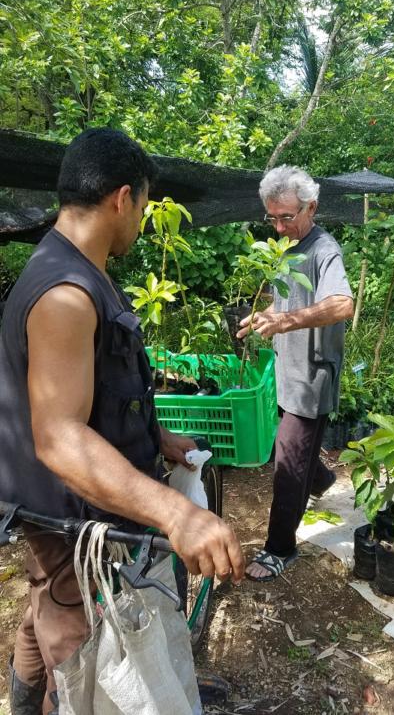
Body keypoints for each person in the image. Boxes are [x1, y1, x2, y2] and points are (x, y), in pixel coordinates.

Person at [0, 128, 244, 714]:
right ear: (122, 198)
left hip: (70, 516)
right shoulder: (65, 294)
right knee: (81, 650)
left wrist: (158, 439)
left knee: (45, 605)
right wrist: (177, 513)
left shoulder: (87, 271)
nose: (141, 219)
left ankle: (20, 701)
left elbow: (94, 396)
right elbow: (59, 436)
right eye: (144, 207)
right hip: (69, 521)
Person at [238, 165, 354, 581]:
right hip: (286, 374)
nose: (280, 225)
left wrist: (286, 323)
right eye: (273, 217)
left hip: (311, 378)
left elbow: (342, 304)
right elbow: (285, 304)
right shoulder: (285, 248)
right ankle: (320, 481)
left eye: (287, 216)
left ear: (312, 208)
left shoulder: (325, 249)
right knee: (294, 453)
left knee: (287, 464)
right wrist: (263, 317)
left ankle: (279, 549)